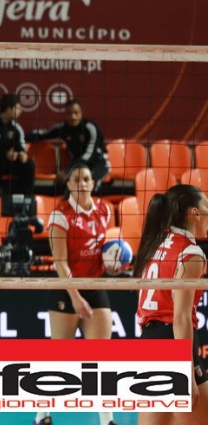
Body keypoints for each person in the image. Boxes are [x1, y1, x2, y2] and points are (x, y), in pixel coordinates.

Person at [34, 162, 115, 425]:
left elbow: (101, 251)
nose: (82, 183)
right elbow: (60, 262)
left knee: (101, 358)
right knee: (59, 358)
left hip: (95, 286)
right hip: (66, 288)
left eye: (86, 179)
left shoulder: (105, 210)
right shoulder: (60, 215)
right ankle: (42, 415)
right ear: (68, 184)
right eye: (77, 179)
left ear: (93, 183)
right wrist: (75, 296)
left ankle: (107, 420)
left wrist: (114, 264)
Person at [133, 184, 208, 425]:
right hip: (172, 340)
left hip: (149, 340)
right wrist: (186, 371)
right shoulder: (191, 253)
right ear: (194, 213)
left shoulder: (156, 244)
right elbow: (181, 317)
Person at [28, 99, 111, 191]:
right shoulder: (63, 127)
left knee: (89, 180)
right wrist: (21, 138)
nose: (73, 116)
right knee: (64, 181)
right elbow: (43, 134)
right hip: (76, 164)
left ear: (81, 113)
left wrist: (68, 170)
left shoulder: (91, 128)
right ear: (65, 114)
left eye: (76, 113)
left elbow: (90, 154)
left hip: (98, 163)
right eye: (69, 113)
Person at [0, 93, 36, 197]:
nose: (21, 111)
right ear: (8, 109)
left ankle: (27, 196)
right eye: (18, 108)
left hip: (12, 161)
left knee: (29, 164)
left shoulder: (16, 127)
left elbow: (21, 146)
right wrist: (5, 154)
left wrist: (22, 154)